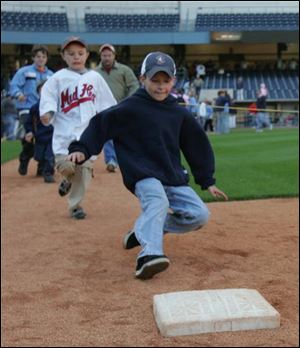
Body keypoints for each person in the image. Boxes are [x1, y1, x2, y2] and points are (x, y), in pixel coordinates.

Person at [68, 52, 228, 279]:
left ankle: (141, 230)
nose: (160, 86)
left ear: (173, 81)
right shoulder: (129, 108)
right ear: (143, 79)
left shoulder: (178, 112)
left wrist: (207, 180)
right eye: (155, 80)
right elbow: (100, 124)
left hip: (171, 174)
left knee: (199, 214)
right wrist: (81, 148)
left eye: (166, 81)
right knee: (157, 201)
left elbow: (196, 145)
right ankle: (149, 255)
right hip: (141, 172)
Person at [39, 36, 116, 219]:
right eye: (71, 54)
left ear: (87, 55)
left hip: (87, 137)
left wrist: (113, 122)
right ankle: (67, 178)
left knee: (83, 172)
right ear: (63, 56)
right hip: (64, 137)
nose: (76, 57)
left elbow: (107, 103)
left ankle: (75, 207)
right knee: (67, 167)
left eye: (80, 53)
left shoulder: (95, 77)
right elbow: (48, 98)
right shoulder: (56, 79)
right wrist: (48, 113)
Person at [10, 45, 53, 176]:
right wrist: (18, 94)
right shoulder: (24, 72)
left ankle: (42, 166)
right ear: (33, 57)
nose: (41, 59)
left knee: (46, 136)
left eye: (43, 57)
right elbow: (14, 85)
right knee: (29, 135)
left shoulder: (51, 75)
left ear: (46, 59)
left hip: (45, 110)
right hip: (27, 108)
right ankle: (25, 158)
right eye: (38, 56)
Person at [95, 43, 139, 172]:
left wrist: (128, 101)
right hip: (104, 109)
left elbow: (134, 85)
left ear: (114, 56)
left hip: (122, 107)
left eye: (109, 55)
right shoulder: (95, 73)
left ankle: (128, 159)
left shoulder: (124, 70)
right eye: (104, 55)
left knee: (125, 134)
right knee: (108, 135)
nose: (107, 58)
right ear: (100, 56)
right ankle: (111, 160)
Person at [24, 81, 55, 183]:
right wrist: (30, 132)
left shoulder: (56, 106)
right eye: (42, 90)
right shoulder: (35, 108)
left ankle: (48, 173)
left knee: (49, 155)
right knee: (39, 156)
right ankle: (41, 167)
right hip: (40, 136)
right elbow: (29, 122)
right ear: (39, 92)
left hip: (53, 136)